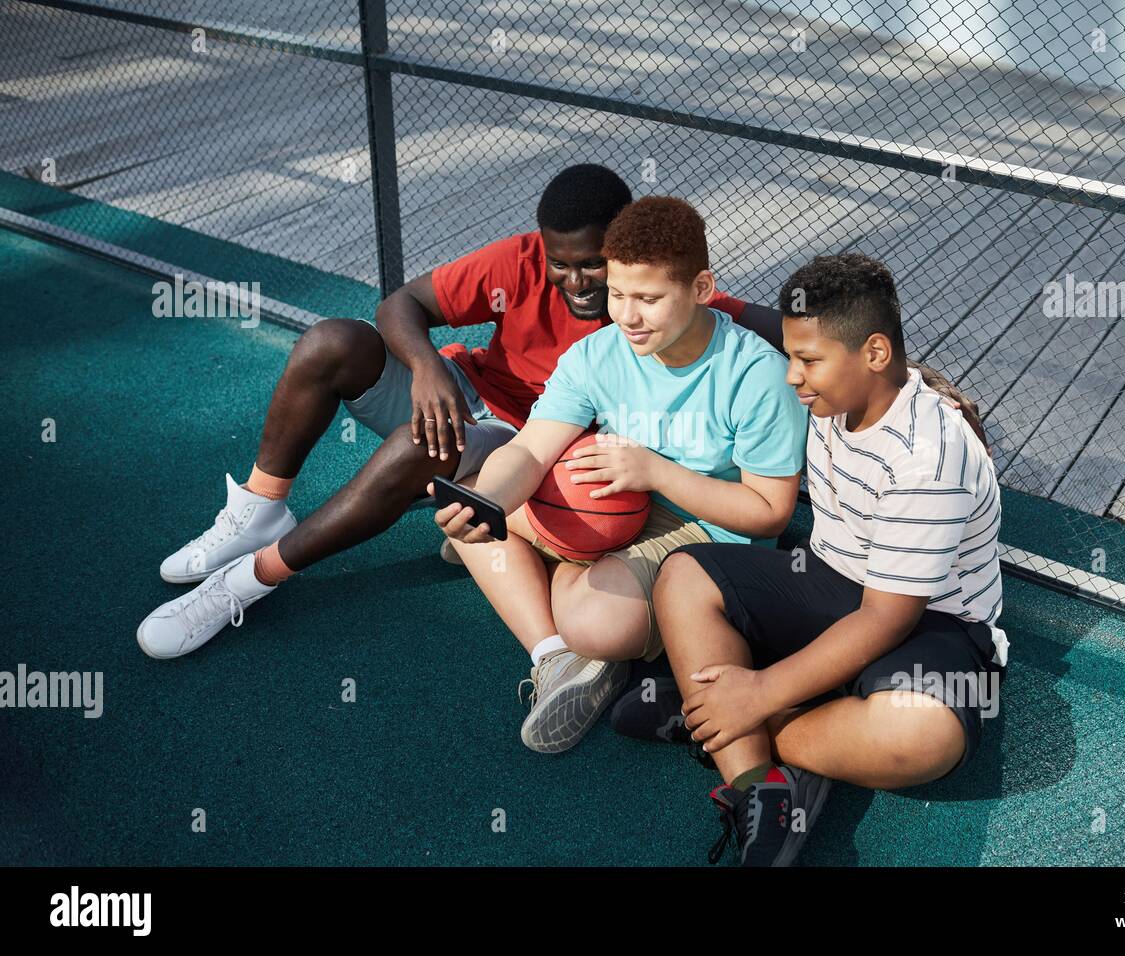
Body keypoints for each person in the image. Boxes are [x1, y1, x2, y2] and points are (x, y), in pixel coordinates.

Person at [135, 166, 764, 659]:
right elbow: (400, 305)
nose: (574, 280)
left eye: (591, 263)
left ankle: (248, 581)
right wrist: (429, 367)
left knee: (419, 446)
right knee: (333, 342)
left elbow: (772, 324)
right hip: (470, 395)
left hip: (532, 445)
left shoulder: (657, 296)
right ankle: (257, 512)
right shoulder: (518, 262)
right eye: (560, 263)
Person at [647, 253, 1010, 865]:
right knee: (683, 574)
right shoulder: (836, 377)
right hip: (829, 579)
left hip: (933, 622)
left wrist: (758, 694)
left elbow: (886, 619)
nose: (793, 376)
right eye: (792, 355)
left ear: (873, 354)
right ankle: (757, 786)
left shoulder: (930, 458)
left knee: (924, 739)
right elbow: (759, 318)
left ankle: (718, 719)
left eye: (808, 361)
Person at [434, 196, 808, 753]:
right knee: (479, 505)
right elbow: (532, 450)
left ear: (702, 288)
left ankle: (556, 579)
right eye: (617, 293)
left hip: (710, 530)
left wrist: (654, 472)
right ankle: (555, 657)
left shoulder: (757, 375)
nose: (627, 315)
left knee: (595, 623)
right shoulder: (596, 354)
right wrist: (485, 499)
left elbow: (769, 513)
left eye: (649, 299)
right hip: (622, 498)